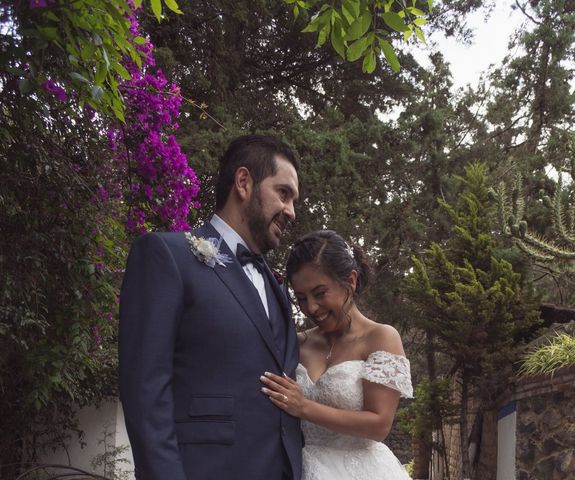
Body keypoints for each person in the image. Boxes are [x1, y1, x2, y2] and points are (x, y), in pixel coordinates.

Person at [119, 135, 303, 480]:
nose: (291, 211)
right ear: (244, 182)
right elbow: (146, 392)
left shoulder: (278, 287)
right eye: (284, 193)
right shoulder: (166, 255)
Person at [260, 230, 413, 480]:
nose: (310, 307)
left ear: (350, 281)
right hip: (302, 469)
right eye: (301, 298)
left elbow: (379, 424)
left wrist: (304, 406)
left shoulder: (381, 338)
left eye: (320, 293)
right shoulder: (296, 343)